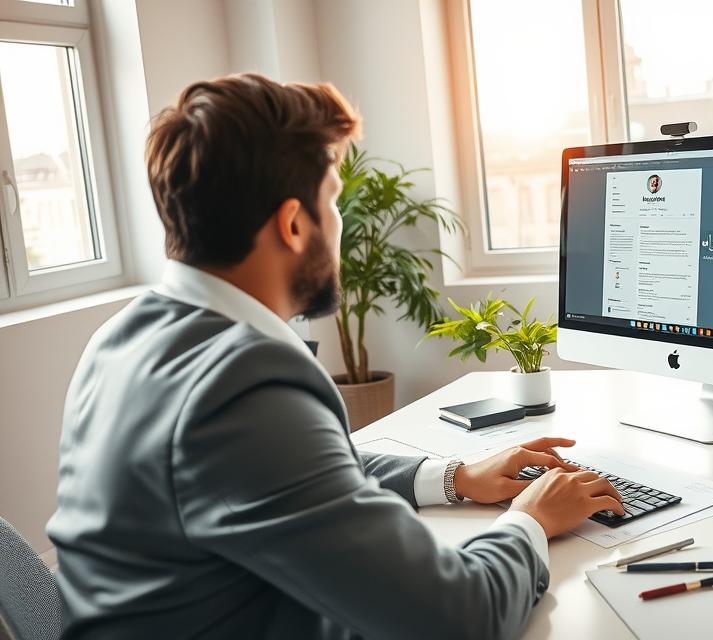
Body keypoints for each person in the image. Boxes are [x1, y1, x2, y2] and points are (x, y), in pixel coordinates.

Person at [46, 73, 623, 640]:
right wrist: (531, 520)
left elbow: (301, 473)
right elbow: (459, 616)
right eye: (333, 202)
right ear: (293, 223)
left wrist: (456, 478)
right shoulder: (238, 385)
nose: (341, 224)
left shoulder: (125, 339)